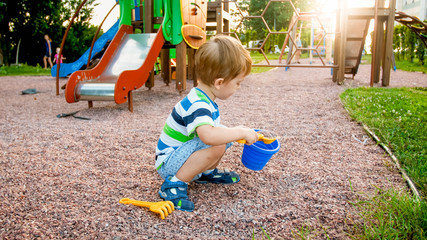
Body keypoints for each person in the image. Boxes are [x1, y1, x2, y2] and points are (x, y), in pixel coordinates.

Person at [155, 35, 258, 212]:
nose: (239, 87)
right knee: (218, 141)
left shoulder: (204, 98)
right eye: (238, 83)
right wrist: (240, 131)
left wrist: (235, 133)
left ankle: (205, 172)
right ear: (219, 83)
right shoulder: (198, 104)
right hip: (168, 163)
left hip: (180, 156)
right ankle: (173, 184)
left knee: (224, 134)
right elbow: (208, 136)